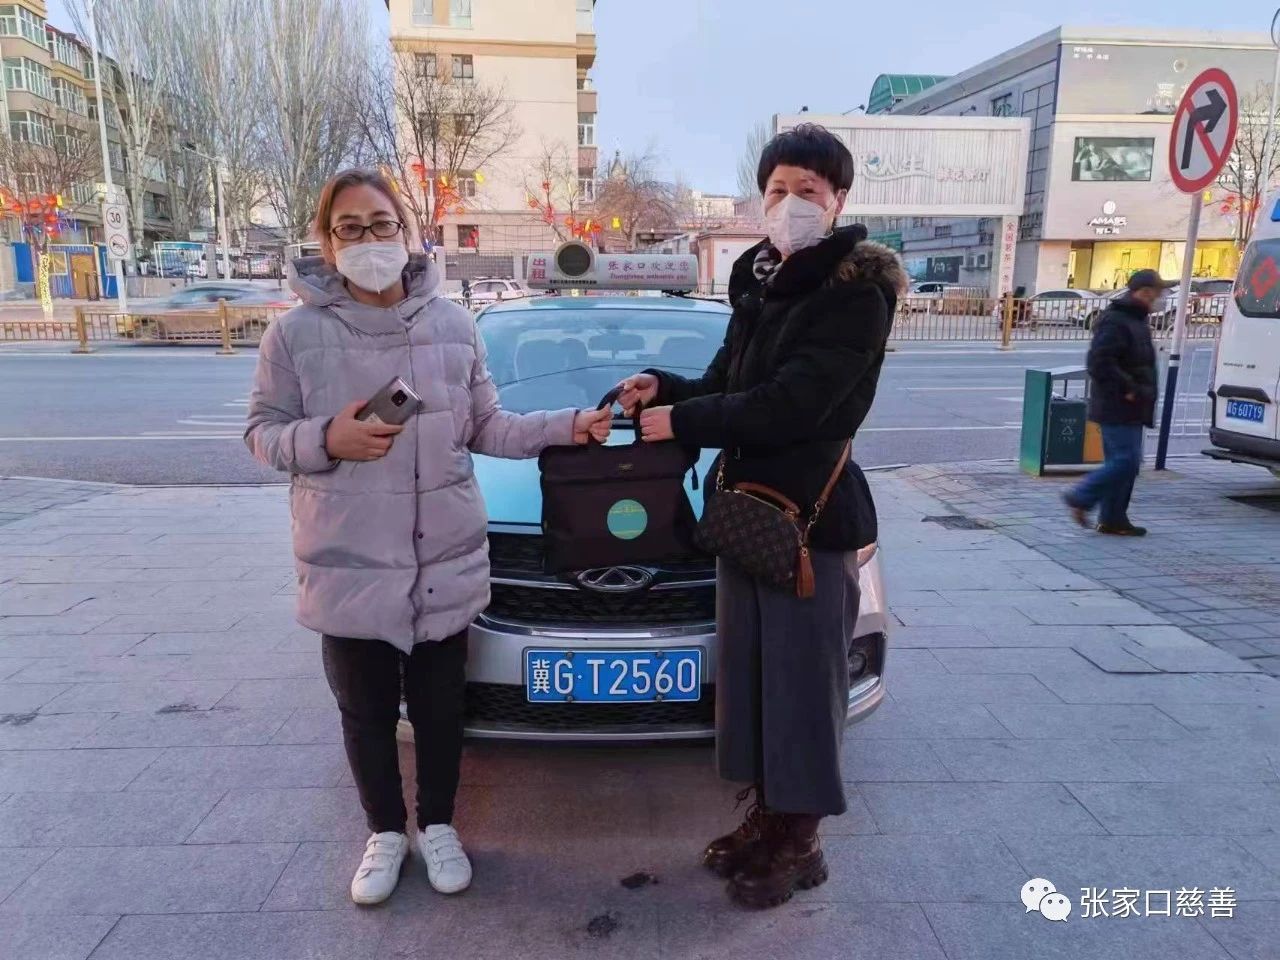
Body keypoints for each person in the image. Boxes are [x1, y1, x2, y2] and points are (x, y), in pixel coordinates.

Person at [245, 169, 611, 905]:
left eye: (382, 224)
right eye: (350, 227)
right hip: (348, 561)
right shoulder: (294, 334)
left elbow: (489, 426)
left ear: (407, 232)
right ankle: (384, 832)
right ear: (327, 241)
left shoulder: (453, 325)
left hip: (443, 558)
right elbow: (262, 433)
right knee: (366, 714)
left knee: (443, 712)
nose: (369, 239)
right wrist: (327, 438)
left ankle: (439, 825)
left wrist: (569, 425)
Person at [616, 124, 906, 909]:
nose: (790, 202)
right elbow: (727, 382)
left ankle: (801, 843)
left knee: (804, 688)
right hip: (746, 516)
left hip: (812, 522)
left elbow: (794, 404)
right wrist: (665, 389)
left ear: (839, 200)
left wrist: (686, 421)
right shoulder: (760, 280)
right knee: (754, 681)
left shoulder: (856, 293)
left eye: (808, 190)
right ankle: (767, 818)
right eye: (778, 189)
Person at [1063, 268, 1167, 536]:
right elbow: (1099, 362)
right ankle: (1081, 497)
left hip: (1132, 403)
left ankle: (1113, 518)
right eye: (1151, 293)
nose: (1155, 299)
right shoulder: (1117, 320)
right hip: (1118, 404)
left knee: (1124, 465)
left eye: (1156, 294)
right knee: (1126, 461)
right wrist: (1129, 388)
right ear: (1140, 292)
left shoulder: (1135, 319)